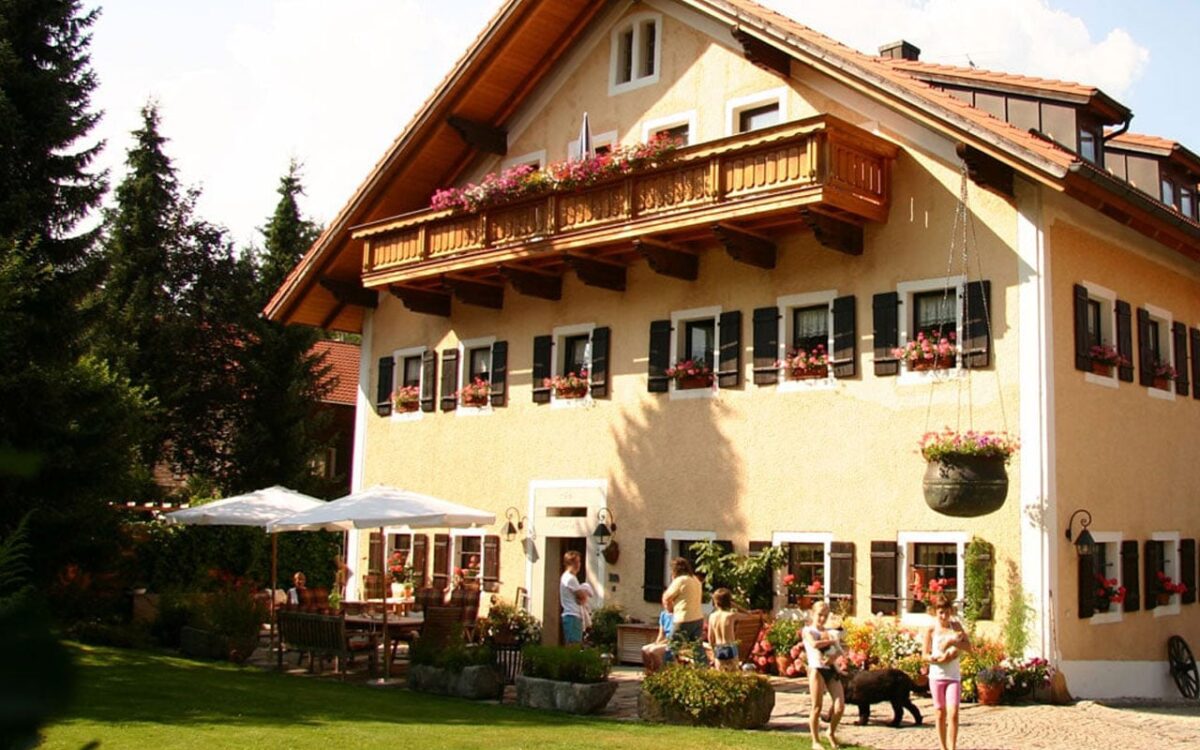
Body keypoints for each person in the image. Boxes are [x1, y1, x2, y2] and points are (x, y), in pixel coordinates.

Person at [923, 594, 971, 750]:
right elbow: (924, 654)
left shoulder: (956, 627)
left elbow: (969, 648)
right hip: (937, 676)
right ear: (935, 612)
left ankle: (953, 748)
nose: (944, 616)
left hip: (953, 676)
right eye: (940, 613)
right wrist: (935, 659)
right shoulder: (931, 629)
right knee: (939, 712)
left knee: (954, 713)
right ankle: (943, 747)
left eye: (947, 612)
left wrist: (952, 641)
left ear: (951, 611)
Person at [803, 600, 845, 749]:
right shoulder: (808, 630)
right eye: (820, 615)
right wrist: (831, 642)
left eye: (825, 616)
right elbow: (814, 644)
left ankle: (831, 732)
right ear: (813, 614)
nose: (822, 619)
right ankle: (816, 741)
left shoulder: (829, 632)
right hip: (816, 669)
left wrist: (834, 656)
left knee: (839, 707)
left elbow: (840, 651)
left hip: (830, 670)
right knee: (817, 707)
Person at [662, 557, 703, 640]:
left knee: (673, 649)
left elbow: (666, 598)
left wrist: (670, 610)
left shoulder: (680, 580)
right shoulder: (696, 580)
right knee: (695, 649)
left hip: (683, 619)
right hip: (698, 619)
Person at [559, 550, 587, 644]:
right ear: (570, 563)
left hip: (573, 615)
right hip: (572, 615)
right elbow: (582, 597)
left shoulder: (570, 577)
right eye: (577, 562)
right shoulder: (570, 578)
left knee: (574, 644)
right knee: (574, 645)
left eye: (579, 562)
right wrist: (583, 595)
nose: (579, 565)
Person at [708, 587, 739, 672]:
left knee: (720, 674)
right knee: (733, 675)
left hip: (719, 648)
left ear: (715, 602)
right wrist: (734, 604)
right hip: (730, 647)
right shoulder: (731, 616)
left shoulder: (712, 616)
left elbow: (710, 637)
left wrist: (713, 651)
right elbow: (748, 615)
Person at [641, 605, 674, 673]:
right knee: (644, 649)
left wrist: (660, 644)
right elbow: (661, 634)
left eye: (668, 602)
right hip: (664, 641)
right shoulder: (663, 614)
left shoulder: (678, 616)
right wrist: (657, 642)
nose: (666, 605)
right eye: (665, 602)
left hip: (672, 642)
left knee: (654, 651)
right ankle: (650, 671)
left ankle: (659, 673)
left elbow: (673, 636)